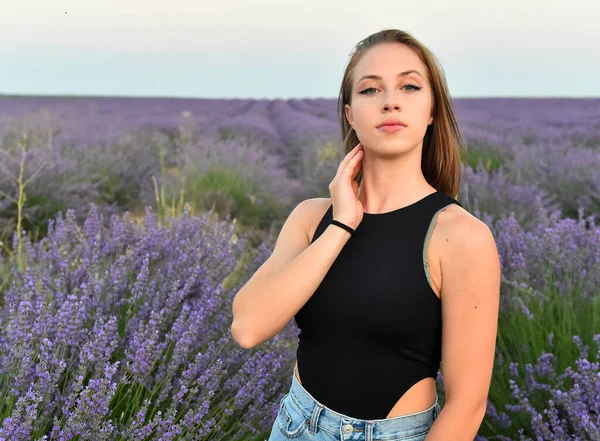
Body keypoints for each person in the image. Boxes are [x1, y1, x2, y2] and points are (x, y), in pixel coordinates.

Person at [231, 28, 501, 441]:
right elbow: (247, 327)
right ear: (350, 114)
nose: (390, 100)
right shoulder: (311, 218)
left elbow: (467, 406)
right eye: (371, 90)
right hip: (295, 426)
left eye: (410, 86)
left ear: (431, 110)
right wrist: (341, 224)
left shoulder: (460, 237)